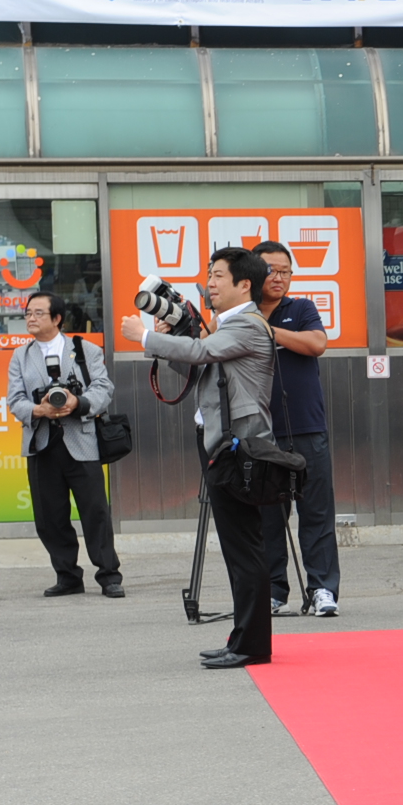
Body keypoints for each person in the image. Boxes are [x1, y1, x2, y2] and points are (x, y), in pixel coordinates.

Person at [130, 248, 277, 668]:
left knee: (244, 547)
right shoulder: (227, 328)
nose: (210, 284)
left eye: (217, 276)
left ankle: (251, 645)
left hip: (238, 448)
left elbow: (200, 354)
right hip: (221, 444)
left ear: (244, 284)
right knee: (236, 547)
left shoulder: (247, 325)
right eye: (209, 276)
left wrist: (143, 336)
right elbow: (197, 370)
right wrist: (168, 343)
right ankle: (243, 638)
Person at [5, 291, 121, 598]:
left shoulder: (84, 349)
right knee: (49, 516)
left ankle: (109, 575)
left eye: (38, 313)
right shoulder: (21, 355)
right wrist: (38, 410)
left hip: (81, 440)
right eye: (27, 313)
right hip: (41, 441)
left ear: (57, 318)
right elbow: (14, 400)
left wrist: (78, 403)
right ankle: (67, 575)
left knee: (95, 511)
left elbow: (103, 388)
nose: (31, 318)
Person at [245, 241, 338, 618]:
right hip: (260, 432)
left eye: (286, 271)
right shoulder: (240, 313)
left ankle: (322, 589)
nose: (279, 278)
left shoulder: (300, 309)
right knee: (268, 516)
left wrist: (267, 331)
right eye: (271, 270)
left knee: (316, 512)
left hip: (306, 427)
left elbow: (317, 344)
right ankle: (274, 590)